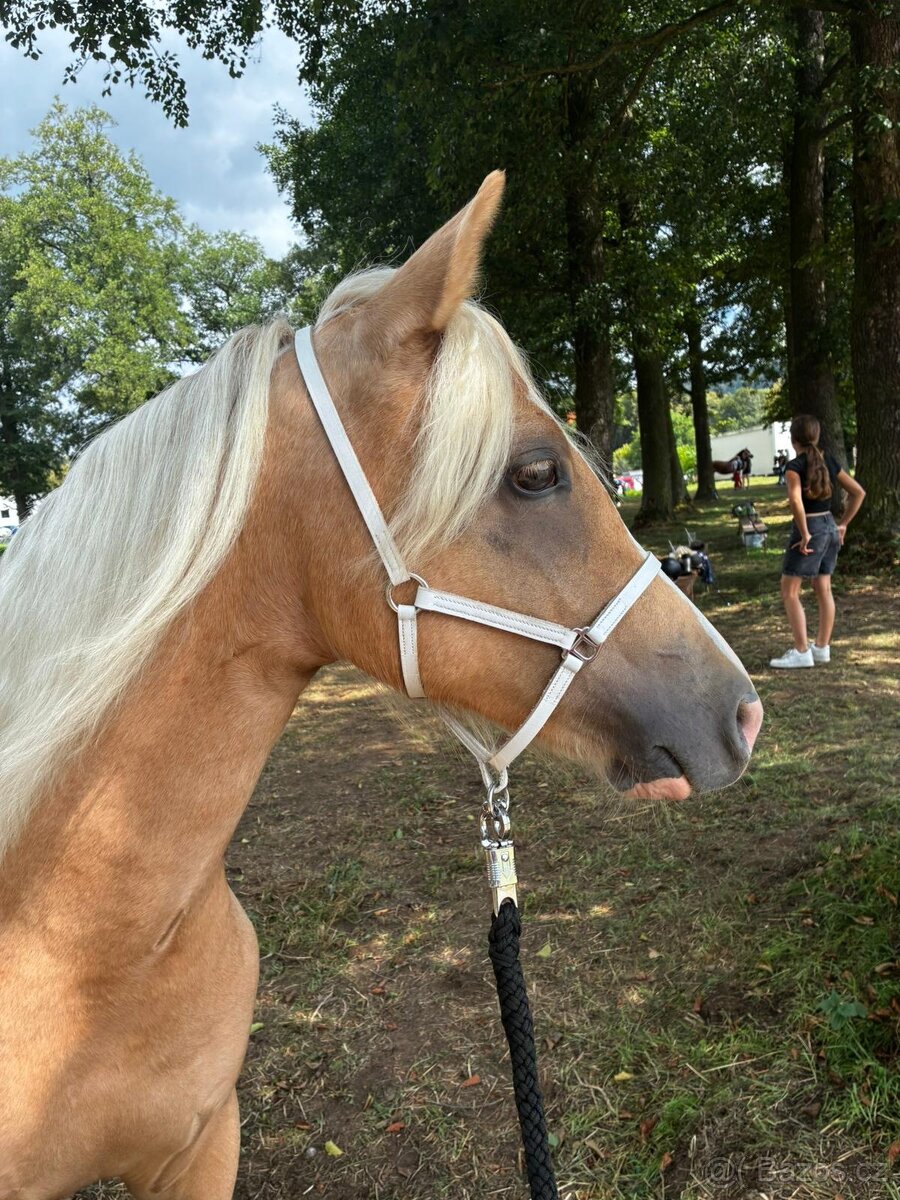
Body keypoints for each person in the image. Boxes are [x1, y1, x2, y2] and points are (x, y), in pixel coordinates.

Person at [769, 415, 866, 669]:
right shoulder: (828, 461)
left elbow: (796, 501)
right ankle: (822, 648)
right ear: (817, 436)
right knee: (823, 587)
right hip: (830, 526)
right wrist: (843, 524)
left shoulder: (794, 467)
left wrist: (804, 533)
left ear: (793, 440)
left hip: (811, 529)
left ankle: (802, 651)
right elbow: (858, 492)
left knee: (789, 591)